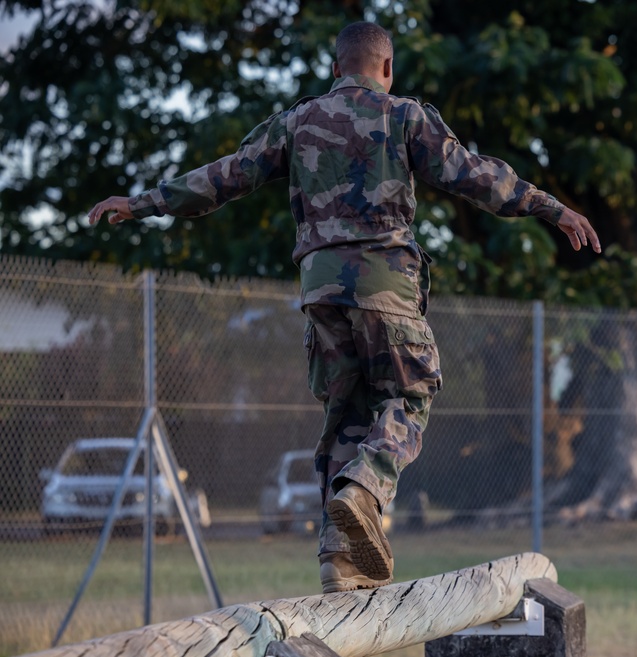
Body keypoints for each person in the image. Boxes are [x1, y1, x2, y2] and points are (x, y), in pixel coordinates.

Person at [88, 20, 602, 593]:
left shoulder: (296, 121)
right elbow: (477, 178)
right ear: (387, 69)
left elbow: (222, 178)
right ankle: (364, 488)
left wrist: (142, 202)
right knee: (409, 394)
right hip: (386, 285)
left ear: (336, 68)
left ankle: (340, 561)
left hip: (321, 293)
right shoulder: (404, 116)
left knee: (346, 421)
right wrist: (552, 208)